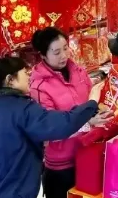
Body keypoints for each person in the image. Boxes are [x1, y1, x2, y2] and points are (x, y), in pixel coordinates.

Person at [0, 57, 109, 198]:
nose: (29, 77)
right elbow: (60, 125)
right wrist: (92, 102)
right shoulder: (22, 109)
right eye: (25, 73)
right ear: (10, 80)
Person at [29, 28, 98, 198]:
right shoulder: (39, 87)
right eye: (56, 52)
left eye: (66, 48)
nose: (64, 55)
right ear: (43, 55)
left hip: (88, 152)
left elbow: (91, 103)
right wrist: (88, 122)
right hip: (62, 165)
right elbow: (51, 131)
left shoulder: (78, 71)